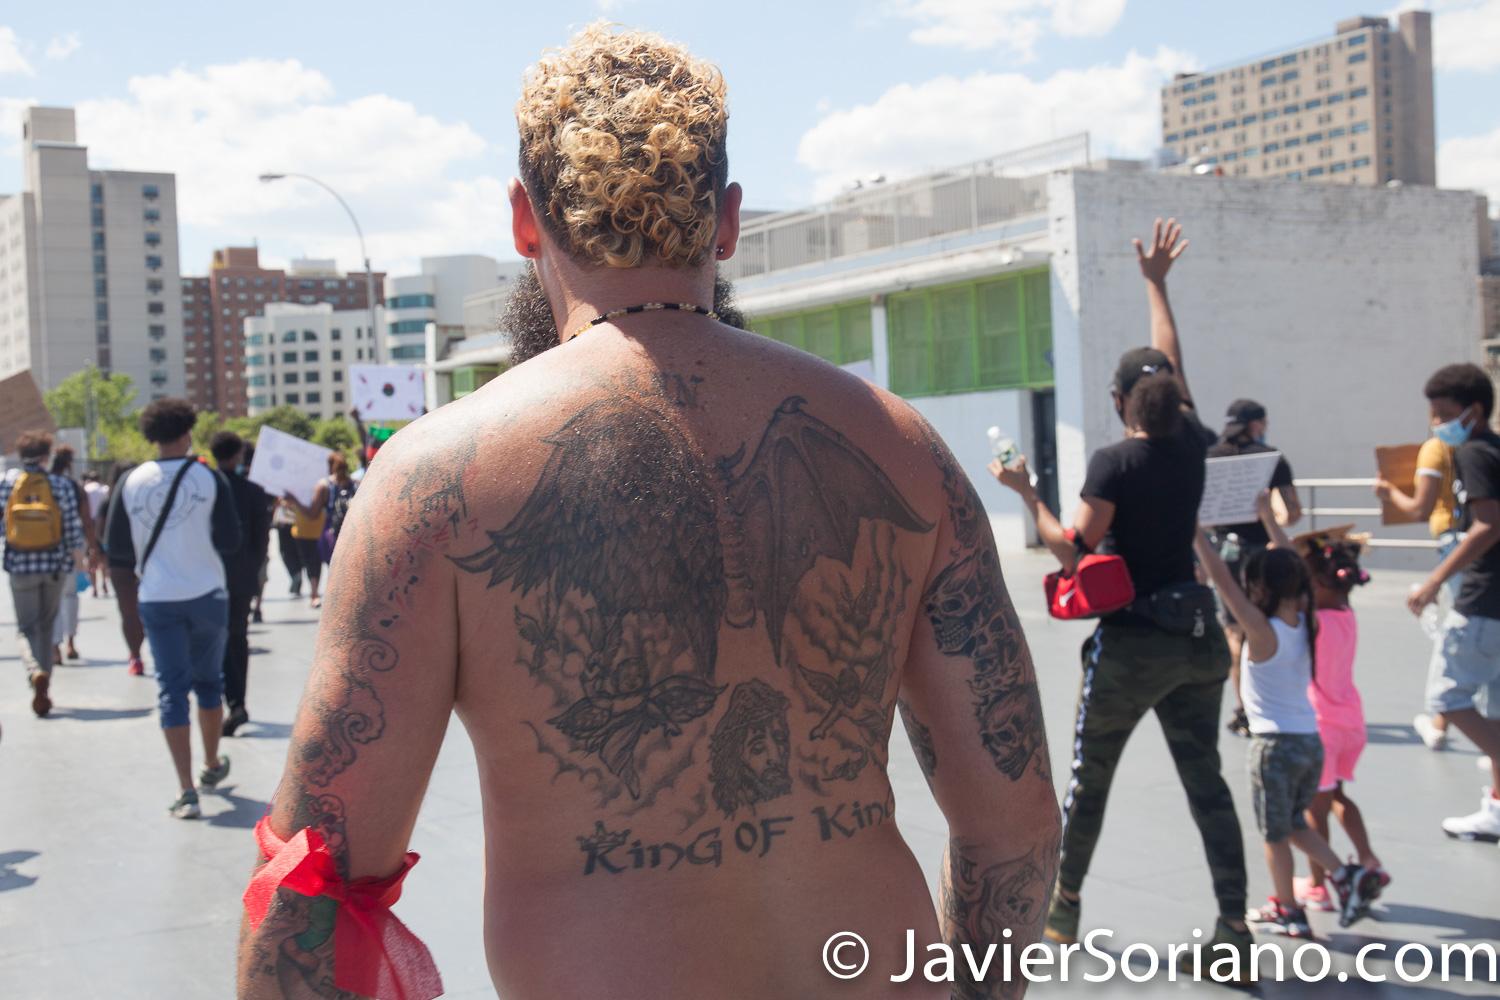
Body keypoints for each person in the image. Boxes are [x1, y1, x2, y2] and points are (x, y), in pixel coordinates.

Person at [238, 24, 1060, 1000]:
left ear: (523, 219)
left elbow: (312, 895)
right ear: (726, 220)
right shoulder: (896, 445)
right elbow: (1016, 826)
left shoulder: (437, 483)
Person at [994, 218, 1253, 977]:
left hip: (1133, 644)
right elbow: (1171, 360)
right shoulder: (1191, 442)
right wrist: (1156, 283)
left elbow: (1073, 548)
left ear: (1115, 402)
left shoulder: (1115, 463)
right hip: (1199, 637)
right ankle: (1235, 926)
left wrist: (1024, 491)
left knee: (1090, 779)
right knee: (1207, 782)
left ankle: (1063, 916)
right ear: (1174, 399)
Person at [1192, 499, 1383, 937]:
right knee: (1293, 823)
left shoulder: (1261, 631)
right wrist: (1268, 520)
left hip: (1273, 748)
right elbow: (1293, 566)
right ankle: (1345, 876)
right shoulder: (1308, 622)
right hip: (1308, 742)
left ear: (1257, 588)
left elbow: (1221, 580)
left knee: (1274, 833)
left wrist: (1194, 531)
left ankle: (1288, 909)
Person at [106, 398, 242, 819]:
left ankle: (186, 789)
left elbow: (118, 549)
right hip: (206, 593)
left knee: (171, 691)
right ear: (187, 432)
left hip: (157, 598)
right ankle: (211, 764)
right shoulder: (208, 477)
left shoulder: (130, 480)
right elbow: (231, 540)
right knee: (209, 682)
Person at [1405, 363, 1500, 842]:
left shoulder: (1475, 454)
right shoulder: (1496, 449)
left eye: (1443, 414)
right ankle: (1497, 809)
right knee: (1496, 702)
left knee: (1448, 698)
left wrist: (1433, 581)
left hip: (1483, 600)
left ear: (1473, 410)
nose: (1438, 425)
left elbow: (1488, 524)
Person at [1287, 524, 1388, 913]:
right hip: (1351, 723)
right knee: (1340, 796)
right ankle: (1368, 859)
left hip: (1322, 727)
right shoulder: (1346, 613)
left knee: (1315, 810)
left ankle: (1317, 886)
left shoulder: (1313, 620)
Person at [1375, 433, 1478, 751]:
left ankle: (1441, 721)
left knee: (1458, 632)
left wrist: (1389, 491)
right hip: (1479, 549)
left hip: (1457, 544)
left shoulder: (1438, 449)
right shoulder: (1483, 448)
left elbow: (1421, 507)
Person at [1209, 399, 1301, 738]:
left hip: (1224, 555)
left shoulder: (1210, 456)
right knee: (1270, 628)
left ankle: (1245, 707)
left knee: (1234, 632)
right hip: (1264, 556)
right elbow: (1291, 512)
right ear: (1256, 425)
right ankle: (1274, 702)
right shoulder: (1270, 457)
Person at [1, 430, 87, 717]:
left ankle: (34, 671)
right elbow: (73, 530)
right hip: (53, 566)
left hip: (19, 566)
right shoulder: (60, 485)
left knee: (26, 628)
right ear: (46, 456)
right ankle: (45, 688)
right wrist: (79, 563)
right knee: (47, 625)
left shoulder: (6, 483)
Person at [209, 431, 271, 738]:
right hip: (242, 578)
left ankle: (227, 702)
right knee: (238, 639)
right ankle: (238, 702)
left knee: (215, 641)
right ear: (238, 457)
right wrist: (252, 571)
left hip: (209, 578)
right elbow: (262, 541)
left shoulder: (206, 488)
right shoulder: (253, 491)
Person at [47, 446, 97, 664]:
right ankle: (71, 644)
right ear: (68, 464)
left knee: (53, 602)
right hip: (70, 550)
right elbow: (86, 522)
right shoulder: (74, 487)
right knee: (70, 597)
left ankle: (54, 647)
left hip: (45, 551)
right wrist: (92, 549)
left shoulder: (43, 485)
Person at [102, 460, 146, 675]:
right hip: (145, 559)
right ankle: (139, 648)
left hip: (118, 561)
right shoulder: (144, 498)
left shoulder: (108, 503)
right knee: (145, 611)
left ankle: (135, 657)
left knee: (128, 612)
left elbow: (103, 532)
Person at [279, 458, 336, 608]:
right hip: (317, 529)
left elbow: (312, 513)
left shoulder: (321, 485)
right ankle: (318, 593)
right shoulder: (325, 484)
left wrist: (294, 500)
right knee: (317, 562)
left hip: (307, 529)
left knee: (311, 562)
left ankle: (315, 593)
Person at [82, 471, 111, 597]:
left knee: (91, 556)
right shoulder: (105, 489)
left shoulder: (85, 489)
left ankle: (94, 587)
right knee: (103, 556)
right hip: (104, 523)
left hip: (89, 524)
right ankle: (104, 581)